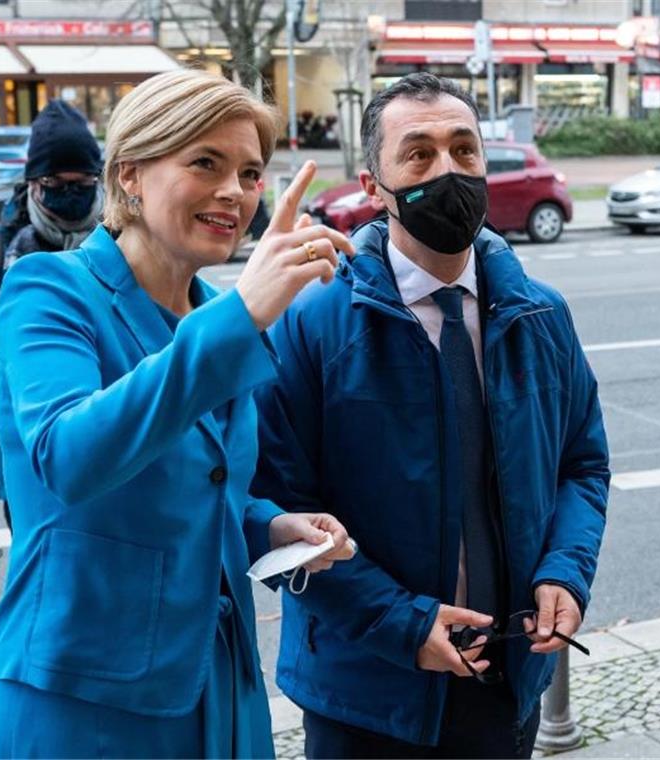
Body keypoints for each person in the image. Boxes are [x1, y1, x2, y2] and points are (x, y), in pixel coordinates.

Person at [0, 69, 357, 758]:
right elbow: (69, 456)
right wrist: (243, 314)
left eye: (249, 172)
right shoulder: (48, 290)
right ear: (130, 176)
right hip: (81, 696)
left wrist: (271, 526)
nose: (234, 192)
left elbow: (202, 483)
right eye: (204, 162)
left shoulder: (215, 314)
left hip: (215, 683)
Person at [251, 72, 611, 758]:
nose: (447, 170)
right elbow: (273, 504)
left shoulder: (542, 315)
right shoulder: (310, 323)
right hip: (367, 691)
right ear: (370, 185)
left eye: (463, 150)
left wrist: (565, 571)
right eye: (418, 154)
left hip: (506, 681)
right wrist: (401, 625)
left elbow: (582, 463)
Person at [0, 99, 105, 531]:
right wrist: (43, 344)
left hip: (116, 443)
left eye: (83, 180)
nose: (70, 191)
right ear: (33, 183)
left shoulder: (124, 237)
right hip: (26, 452)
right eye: (55, 181)